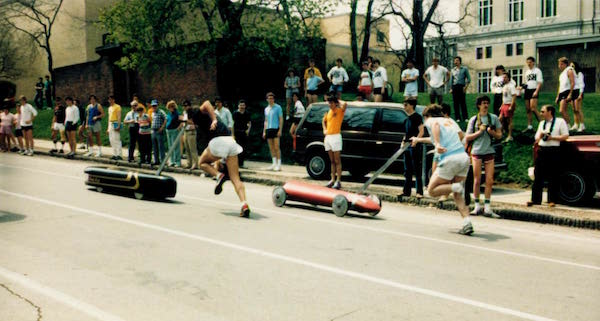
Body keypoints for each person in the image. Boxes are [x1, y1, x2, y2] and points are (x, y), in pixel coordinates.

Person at [411, 104, 473, 235]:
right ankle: (467, 222)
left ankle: (456, 187)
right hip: (463, 157)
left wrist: (439, 144)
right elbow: (462, 136)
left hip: (450, 159)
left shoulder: (432, 121)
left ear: (427, 116)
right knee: (458, 195)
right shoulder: (450, 121)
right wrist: (420, 139)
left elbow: (435, 127)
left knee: (432, 190)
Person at [193, 100, 251, 217]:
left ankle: (219, 176)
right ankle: (244, 204)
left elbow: (206, 103)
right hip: (230, 142)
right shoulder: (208, 117)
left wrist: (214, 119)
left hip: (217, 142)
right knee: (235, 178)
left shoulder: (201, 114)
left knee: (202, 162)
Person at [465, 96, 503, 218]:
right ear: (478, 105)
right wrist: (480, 132)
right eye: (483, 103)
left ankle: (487, 207)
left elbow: (499, 135)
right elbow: (467, 137)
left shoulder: (494, 118)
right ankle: (476, 205)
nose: (486, 105)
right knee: (477, 180)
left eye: (487, 103)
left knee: (489, 180)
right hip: (477, 151)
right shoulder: (474, 119)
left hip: (489, 151)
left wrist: (492, 133)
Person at [527, 105, 569, 207]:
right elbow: (536, 138)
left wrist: (552, 138)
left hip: (554, 150)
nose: (541, 113)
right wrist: (540, 136)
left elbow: (566, 136)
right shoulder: (542, 123)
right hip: (542, 150)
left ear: (550, 112)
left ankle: (552, 200)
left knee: (553, 176)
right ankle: (535, 199)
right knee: (538, 175)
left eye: (543, 111)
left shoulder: (560, 122)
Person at [322, 94, 347, 190]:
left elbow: (345, 104)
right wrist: (324, 129)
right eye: (329, 103)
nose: (330, 105)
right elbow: (323, 121)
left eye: (331, 103)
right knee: (331, 160)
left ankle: (338, 180)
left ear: (335, 103)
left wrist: (337, 100)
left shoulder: (339, 110)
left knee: (337, 160)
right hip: (328, 137)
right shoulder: (328, 112)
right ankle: (332, 179)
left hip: (336, 136)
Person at [402, 98, 424, 198]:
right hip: (406, 146)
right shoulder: (407, 119)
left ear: (411, 105)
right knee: (407, 169)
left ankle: (419, 192)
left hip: (414, 146)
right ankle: (406, 191)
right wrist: (402, 142)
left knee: (416, 169)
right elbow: (405, 133)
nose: (404, 107)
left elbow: (421, 131)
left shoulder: (417, 117)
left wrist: (416, 140)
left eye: (406, 105)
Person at [262, 92, 283, 171]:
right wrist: (264, 131)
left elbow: (281, 119)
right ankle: (274, 164)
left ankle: (279, 164)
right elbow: (266, 121)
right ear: (267, 99)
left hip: (276, 129)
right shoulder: (266, 109)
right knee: (271, 148)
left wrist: (280, 130)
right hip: (268, 129)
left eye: (272, 98)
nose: (270, 100)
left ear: (274, 99)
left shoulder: (278, 107)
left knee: (277, 147)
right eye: (269, 98)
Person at [522, 57, 543, 132]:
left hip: (534, 90)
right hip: (527, 90)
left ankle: (542, 124)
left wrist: (536, 91)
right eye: (527, 62)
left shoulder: (537, 71)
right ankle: (530, 126)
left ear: (533, 62)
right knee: (528, 109)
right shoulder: (527, 72)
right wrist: (522, 87)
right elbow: (526, 83)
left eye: (530, 62)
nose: (528, 64)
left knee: (533, 108)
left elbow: (540, 82)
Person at [555, 57, 575, 127]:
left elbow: (572, 82)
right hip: (562, 92)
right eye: (559, 64)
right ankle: (568, 125)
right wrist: (558, 96)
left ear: (566, 64)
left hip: (567, 91)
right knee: (562, 111)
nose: (560, 66)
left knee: (563, 110)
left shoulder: (569, 70)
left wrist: (570, 94)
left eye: (562, 64)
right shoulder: (561, 74)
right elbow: (560, 86)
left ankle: (571, 125)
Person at [450, 56, 471, 122]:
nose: (455, 62)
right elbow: (451, 80)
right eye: (455, 61)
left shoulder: (464, 69)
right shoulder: (453, 70)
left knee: (462, 102)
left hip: (461, 86)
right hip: (455, 87)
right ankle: (457, 118)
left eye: (457, 60)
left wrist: (466, 87)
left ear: (460, 61)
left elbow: (469, 79)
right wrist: (451, 88)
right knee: (456, 103)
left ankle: (465, 117)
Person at [499, 72, 517, 143]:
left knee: (509, 120)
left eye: (505, 77)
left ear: (509, 78)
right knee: (500, 119)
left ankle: (510, 136)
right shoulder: (504, 86)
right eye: (503, 77)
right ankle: (501, 133)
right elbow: (504, 97)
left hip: (509, 104)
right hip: (504, 104)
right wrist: (501, 105)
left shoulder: (511, 86)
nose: (504, 78)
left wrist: (511, 106)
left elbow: (514, 96)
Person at [233, 99, 251, 167]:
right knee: (236, 148)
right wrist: (232, 134)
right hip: (236, 132)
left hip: (244, 132)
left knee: (243, 148)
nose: (242, 106)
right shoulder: (235, 113)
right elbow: (232, 123)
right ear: (238, 106)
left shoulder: (247, 113)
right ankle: (236, 163)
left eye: (243, 105)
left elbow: (249, 123)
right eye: (240, 105)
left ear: (245, 106)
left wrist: (248, 130)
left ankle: (241, 163)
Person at [181, 100, 198, 170]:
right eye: (184, 106)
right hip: (186, 131)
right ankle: (189, 163)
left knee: (192, 149)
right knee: (187, 148)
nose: (185, 107)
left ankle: (195, 164)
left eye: (186, 106)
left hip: (191, 132)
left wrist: (185, 120)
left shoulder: (193, 113)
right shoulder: (184, 113)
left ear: (189, 106)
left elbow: (194, 122)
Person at [150, 99, 167, 165]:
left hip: (159, 131)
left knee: (161, 146)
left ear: (157, 105)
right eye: (153, 106)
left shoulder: (161, 112)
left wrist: (162, 127)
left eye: (155, 106)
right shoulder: (152, 113)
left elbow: (166, 119)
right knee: (154, 147)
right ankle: (156, 160)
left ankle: (163, 161)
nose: (154, 107)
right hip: (153, 131)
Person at [165, 100, 182, 167]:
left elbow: (182, 121)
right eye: (169, 107)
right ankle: (172, 161)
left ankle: (177, 161)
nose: (171, 108)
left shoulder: (177, 113)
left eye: (172, 106)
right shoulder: (169, 113)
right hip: (168, 131)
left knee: (176, 146)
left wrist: (178, 128)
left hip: (174, 130)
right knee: (170, 146)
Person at [570, 62, 585, 132]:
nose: (571, 67)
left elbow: (581, 83)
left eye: (573, 66)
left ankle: (582, 125)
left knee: (578, 109)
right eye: (570, 66)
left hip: (578, 91)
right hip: (572, 91)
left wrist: (580, 94)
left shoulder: (579, 74)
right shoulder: (570, 74)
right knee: (574, 110)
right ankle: (576, 124)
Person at [107, 95, 122, 160]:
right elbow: (109, 117)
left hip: (115, 122)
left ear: (114, 100)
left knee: (116, 139)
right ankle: (114, 154)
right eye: (109, 99)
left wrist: (118, 125)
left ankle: (119, 154)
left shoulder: (117, 107)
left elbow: (119, 116)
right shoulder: (109, 108)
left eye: (111, 99)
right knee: (111, 139)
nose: (110, 101)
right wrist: (108, 127)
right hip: (111, 123)